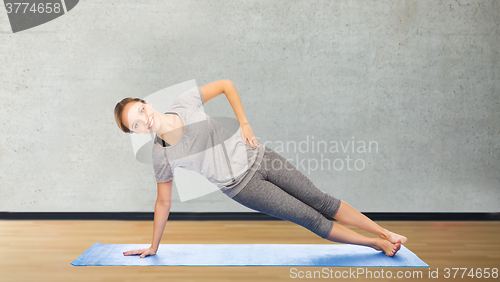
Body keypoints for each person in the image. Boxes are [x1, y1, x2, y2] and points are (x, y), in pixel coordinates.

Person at [114, 79, 407, 259]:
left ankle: (386, 233)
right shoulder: (160, 154)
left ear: (147, 103)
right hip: (243, 187)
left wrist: (243, 123)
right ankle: (375, 244)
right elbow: (163, 202)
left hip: (263, 157)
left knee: (321, 200)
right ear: (136, 133)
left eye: (140, 111)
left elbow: (226, 84)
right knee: (310, 219)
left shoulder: (183, 103)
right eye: (135, 124)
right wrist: (154, 246)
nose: (144, 120)